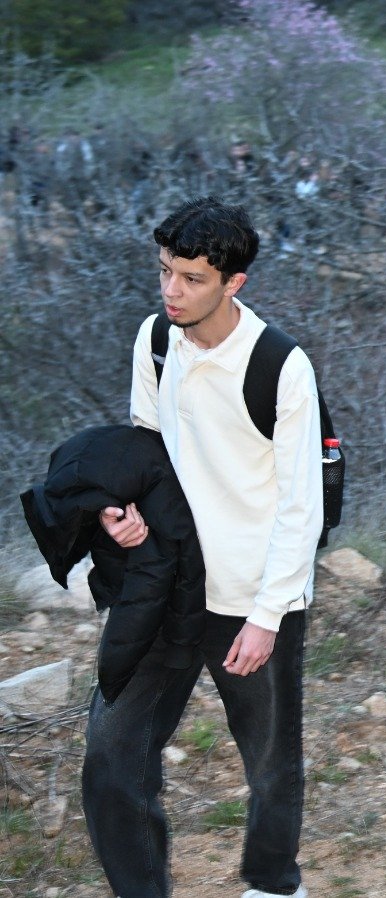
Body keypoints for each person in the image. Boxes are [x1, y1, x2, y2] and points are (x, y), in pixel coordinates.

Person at [93, 197, 322, 898]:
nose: (172, 290)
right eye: (165, 271)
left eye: (192, 278)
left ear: (233, 282)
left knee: (269, 760)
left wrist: (267, 615)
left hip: (248, 596)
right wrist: (123, 516)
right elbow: (144, 452)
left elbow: (301, 505)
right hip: (164, 586)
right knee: (112, 750)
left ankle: (274, 884)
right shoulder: (155, 339)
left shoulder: (280, 365)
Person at [22, 425, 206, 706]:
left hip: (226, 589)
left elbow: (151, 584)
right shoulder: (121, 489)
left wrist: (115, 677)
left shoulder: (87, 470)